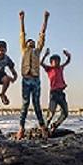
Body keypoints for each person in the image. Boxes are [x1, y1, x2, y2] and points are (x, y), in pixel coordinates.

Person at [17, 10, 50, 140]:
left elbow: (42, 35)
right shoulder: (24, 49)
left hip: (35, 80)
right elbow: (22, 34)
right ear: (26, 44)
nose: (31, 42)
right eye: (29, 41)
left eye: (33, 42)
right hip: (26, 79)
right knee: (25, 104)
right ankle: (21, 128)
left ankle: (43, 128)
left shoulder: (37, 51)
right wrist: (21, 20)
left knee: (36, 104)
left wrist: (45, 20)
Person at [41, 48, 71, 135]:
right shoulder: (49, 69)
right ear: (51, 62)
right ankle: (45, 128)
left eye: (58, 61)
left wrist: (68, 55)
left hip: (61, 94)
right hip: (54, 94)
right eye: (54, 61)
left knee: (65, 113)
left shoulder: (60, 68)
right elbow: (41, 63)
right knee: (51, 113)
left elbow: (67, 61)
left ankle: (55, 125)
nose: (56, 63)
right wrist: (45, 55)